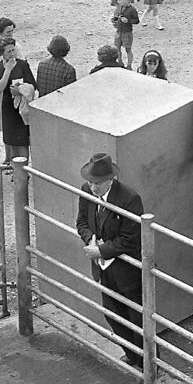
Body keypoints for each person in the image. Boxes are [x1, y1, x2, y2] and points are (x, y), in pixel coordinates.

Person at [75, 153, 144, 370]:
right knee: (112, 313)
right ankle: (131, 355)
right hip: (104, 266)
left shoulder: (129, 199)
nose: (93, 187)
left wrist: (101, 251)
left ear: (110, 180)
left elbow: (131, 239)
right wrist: (90, 239)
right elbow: (81, 222)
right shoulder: (87, 191)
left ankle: (148, 362)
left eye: (97, 183)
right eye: (90, 182)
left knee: (137, 317)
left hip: (126, 268)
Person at [0, 37, 36, 162]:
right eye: (8, 51)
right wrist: (8, 70)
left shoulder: (22, 64)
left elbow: (33, 85)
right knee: (10, 139)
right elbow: (0, 88)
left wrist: (21, 90)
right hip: (8, 106)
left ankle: (24, 168)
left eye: (13, 50)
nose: (12, 54)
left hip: (22, 108)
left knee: (23, 140)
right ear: (2, 53)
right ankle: (13, 166)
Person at [111, 0, 139, 69]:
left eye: (120, 0)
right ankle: (119, 61)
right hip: (119, 31)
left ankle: (129, 65)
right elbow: (116, 16)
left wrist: (128, 21)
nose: (118, 1)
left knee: (128, 49)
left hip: (127, 33)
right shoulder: (119, 7)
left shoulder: (132, 10)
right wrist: (114, 19)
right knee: (117, 47)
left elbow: (136, 20)